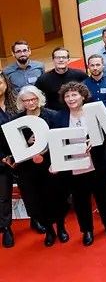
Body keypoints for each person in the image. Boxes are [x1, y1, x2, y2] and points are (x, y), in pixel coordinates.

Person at [52, 82, 106, 246]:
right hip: (74, 165)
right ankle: (87, 229)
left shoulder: (94, 112)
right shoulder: (59, 117)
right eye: (67, 96)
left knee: (102, 195)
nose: (71, 98)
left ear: (82, 96)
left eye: (74, 95)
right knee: (80, 199)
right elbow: (55, 141)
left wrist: (95, 140)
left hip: (97, 161)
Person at [11, 86, 66, 246]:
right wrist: (26, 143)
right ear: (21, 102)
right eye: (26, 100)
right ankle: (49, 231)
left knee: (57, 197)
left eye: (33, 99)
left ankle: (61, 228)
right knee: (39, 200)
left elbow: (60, 140)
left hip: (51, 164)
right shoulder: (17, 120)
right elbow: (14, 146)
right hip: (30, 169)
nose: (30, 103)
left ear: (39, 98)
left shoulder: (52, 115)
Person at [0, 73, 19, 247]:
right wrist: (3, 158)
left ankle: (36, 219)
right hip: (1, 159)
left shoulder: (16, 102)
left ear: (6, 83)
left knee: (29, 190)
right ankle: (6, 228)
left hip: (22, 155)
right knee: (3, 196)